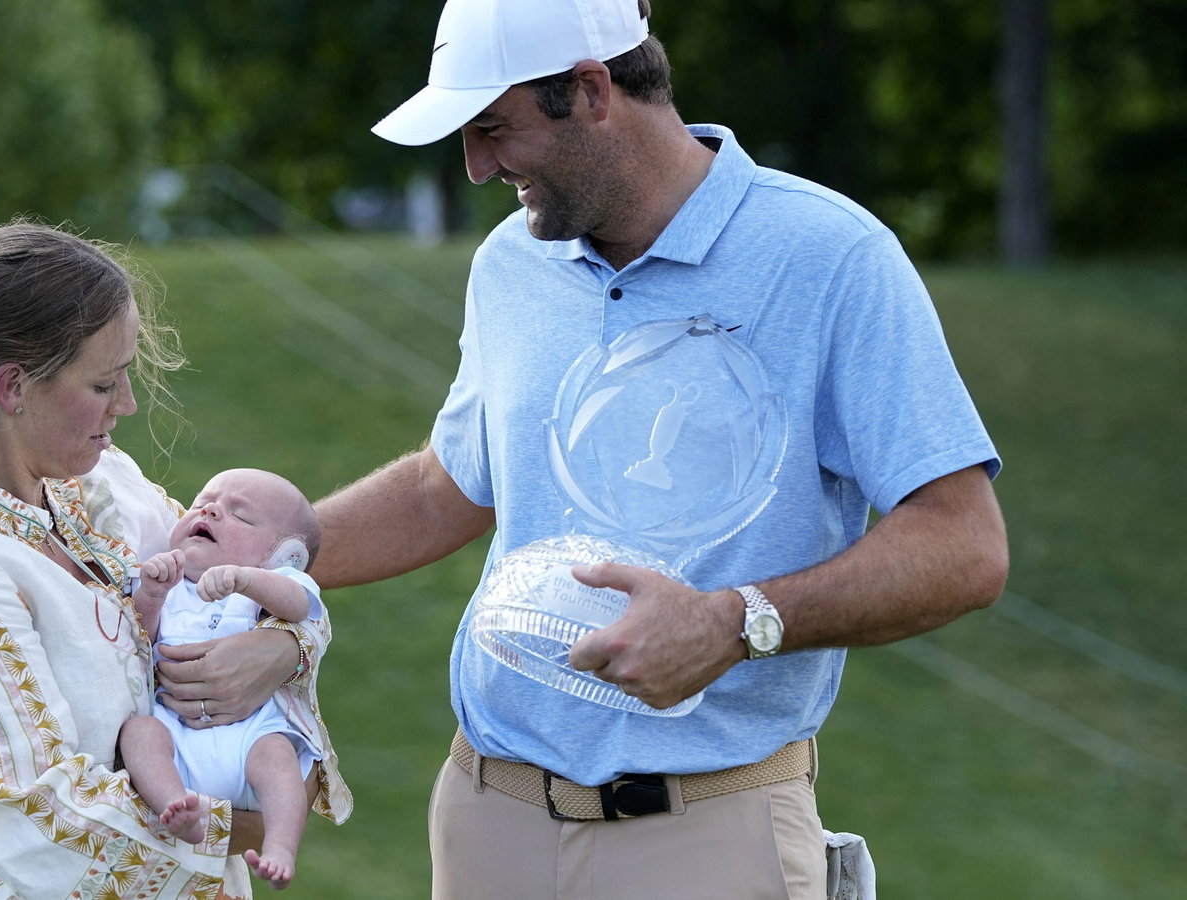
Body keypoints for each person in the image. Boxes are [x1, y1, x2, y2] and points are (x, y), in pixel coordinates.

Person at [310, 1, 1009, 898]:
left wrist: (737, 620)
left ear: (593, 91)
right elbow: (451, 486)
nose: (478, 167)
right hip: (488, 820)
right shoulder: (511, 263)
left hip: (712, 836)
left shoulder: (831, 257)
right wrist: (264, 552)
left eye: (493, 129)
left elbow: (965, 544)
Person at [0, 222, 341, 900]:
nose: (125, 405)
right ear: (13, 387)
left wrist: (288, 647)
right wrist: (252, 825)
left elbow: (257, 584)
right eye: (104, 384)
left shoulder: (104, 487)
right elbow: (36, 821)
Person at [120, 468, 345, 890]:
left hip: (249, 736)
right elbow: (139, 642)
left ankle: (280, 845)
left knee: (278, 758)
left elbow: (300, 607)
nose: (210, 510)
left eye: (240, 516)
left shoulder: (273, 584)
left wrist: (249, 580)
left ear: (285, 556)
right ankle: (175, 805)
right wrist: (149, 598)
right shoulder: (171, 583)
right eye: (203, 500)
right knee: (140, 733)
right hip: (177, 734)